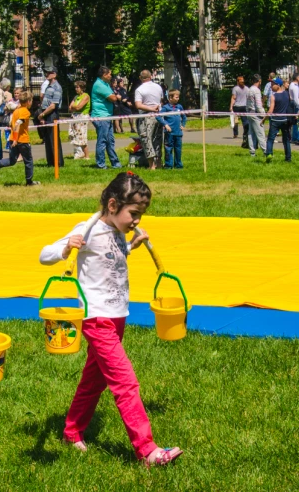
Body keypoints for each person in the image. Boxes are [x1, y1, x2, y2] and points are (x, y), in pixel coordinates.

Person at [39, 172, 183, 467]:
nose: (137, 221)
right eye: (135, 213)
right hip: (96, 319)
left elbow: (109, 260)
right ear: (114, 205)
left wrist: (131, 246)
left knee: (94, 381)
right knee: (125, 382)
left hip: (118, 317)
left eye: (141, 215)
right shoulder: (87, 229)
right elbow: (45, 255)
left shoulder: (118, 232)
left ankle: (72, 430)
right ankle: (148, 451)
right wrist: (66, 247)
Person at [0, 91, 40, 186]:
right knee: (28, 161)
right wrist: (16, 139)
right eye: (31, 100)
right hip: (22, 140)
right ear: (28, 101)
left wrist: (14, 139)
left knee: (12, 160)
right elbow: (17, 124)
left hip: (12, 139)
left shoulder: (16, 111)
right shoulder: (25, 112)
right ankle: (29, 182)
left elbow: (12, 124)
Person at [91, 66, 122, 169]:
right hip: (101, 117)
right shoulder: (99, 85)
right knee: (102, 141)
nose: (110, 75)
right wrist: (116, 97)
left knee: (110, 141)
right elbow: (113, 98)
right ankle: (100, 164)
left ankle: (115, 163)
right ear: (104, 75)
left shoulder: (105, 84)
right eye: (109, 74)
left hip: (107, 116)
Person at [134, 70, 163, 169]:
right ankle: (159, 162)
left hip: (146, 117)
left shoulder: (139, 89)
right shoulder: (158, 87)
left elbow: (138, 105)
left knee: (146, 139)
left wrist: (151, 109)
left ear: (140, 77)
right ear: (151, 76)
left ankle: (152, 165)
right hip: (159, 116)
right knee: (157, 139)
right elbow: (161, 101)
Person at [37, 66, 64, 167]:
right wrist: (42, 116)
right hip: (46, 114)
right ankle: (50, 163)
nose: (46, 74)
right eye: (46, 72)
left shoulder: (57, 87)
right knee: (48, 140)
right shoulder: (48, 86)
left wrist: (43, 114)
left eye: (49, 72)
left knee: (54, 139)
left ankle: (58, 163)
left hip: (52, 114)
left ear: (55, 74)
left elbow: (53, 105)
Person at [156, 89, 186, 169]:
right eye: (176, 97)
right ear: (170, 98)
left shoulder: (179, 107)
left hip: (178, 133)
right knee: (168, 149)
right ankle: (168, 165)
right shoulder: (166, 108)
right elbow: (158, 116)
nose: (178, 98)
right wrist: (165, 125)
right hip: (169, 133)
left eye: (178, 97)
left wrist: (183, 124)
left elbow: (184, 117)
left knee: (178, 149)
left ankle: (178, 165)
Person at [265, 78, 292, 163]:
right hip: (285, 120)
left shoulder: (274, 96)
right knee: (286, 140)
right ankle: (288, 158)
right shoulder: (287, 95)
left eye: (273, 84)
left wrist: (263, 120)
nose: (271, 86)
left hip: (275, 121)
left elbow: (270, 111)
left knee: (270, 139)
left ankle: (269, 154)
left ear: (278, 85)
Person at [68, 80, 91, 160]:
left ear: (82, 88)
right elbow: (70, 108)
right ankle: (79, 153)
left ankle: (87, 155)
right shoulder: (76, 97)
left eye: (77, 87)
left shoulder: (86, 96)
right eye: (75, 87)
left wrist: (74, 107)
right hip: (75, 117)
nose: (76, 89)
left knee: (82, 137)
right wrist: (75, 107)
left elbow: (78, 107)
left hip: (82, 117)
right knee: (74, 135)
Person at [245, 74, 267, 158]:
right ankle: (266, 151)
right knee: (260, 134)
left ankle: (252, 152)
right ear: (259, 81)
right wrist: (263, 114)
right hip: (256, 114)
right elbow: (258, 105)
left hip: (249, 113)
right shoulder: (256, 91)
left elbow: (247, 103)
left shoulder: (249, 90)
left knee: (251, 133)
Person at [230, 76, 249, 147]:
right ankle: (245, 133)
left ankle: (235, 134)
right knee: (245, 121)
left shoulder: (235, 88)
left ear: (237, 82)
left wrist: (231, 106)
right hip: (244, 106)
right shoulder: (247, 88)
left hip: (237, 106)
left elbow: (234, 98)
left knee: (236, 120)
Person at [288, 72, 299, 144]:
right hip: (295, 105)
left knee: (295, 122)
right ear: (297, 78)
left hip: (293, 104)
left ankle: (294, 137)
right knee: (295, 122)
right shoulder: (295, 86)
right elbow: (296, 98)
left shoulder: (292, 85)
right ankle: (295, 137)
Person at [0, 78, 13, 149]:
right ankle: (8, 144)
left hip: (0, 114)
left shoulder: (0, 93)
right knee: (8, 130)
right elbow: (10, 104)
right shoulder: (9, 94)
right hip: (7, 114)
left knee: (1, 130)